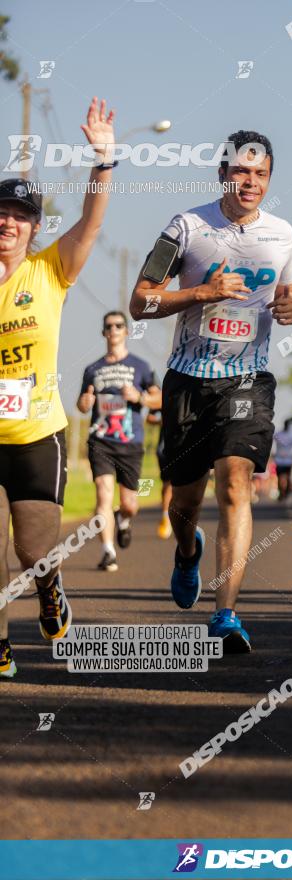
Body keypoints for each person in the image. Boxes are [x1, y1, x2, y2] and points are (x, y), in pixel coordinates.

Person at [130, 130, 292, 652]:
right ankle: (187, 553)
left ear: (269, 179)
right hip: (187, 381)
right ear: (222, 173)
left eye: (260, 174)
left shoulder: (281, 234)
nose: (250, 182)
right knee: (184, 501)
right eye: (241, 172)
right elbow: (140, 302)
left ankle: (225, 613)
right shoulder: (186, 228)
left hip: (247, 380)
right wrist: (203, 291)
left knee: (235, 483)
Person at [0, 97, 116, 678]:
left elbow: (92, 223)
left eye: (19, 216)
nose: (7, 222)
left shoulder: (49, 271)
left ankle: (49, 586)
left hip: (36, 432)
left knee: (31, 549)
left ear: (34, 227)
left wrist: (103, 160)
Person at [77, 312, 160, 572]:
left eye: (118, 326)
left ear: (126, 331)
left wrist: (140, 398)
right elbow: (81, 403)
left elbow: (159, 400)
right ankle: (108, 551)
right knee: (103, 493)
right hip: (100, 440)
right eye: (109, 326)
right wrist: (85, 403)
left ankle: (123, 521)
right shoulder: (93, 369)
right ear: (103, 333)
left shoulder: (142, 367)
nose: (113, 330)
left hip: (130, 441)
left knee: (130, 504)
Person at [146, 408, 173, 539]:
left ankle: (181, 518)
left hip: (186, 441)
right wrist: (162, 421)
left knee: (183, 484)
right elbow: (149, 418)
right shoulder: (161, 395)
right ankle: (166, 518)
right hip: (165, 446)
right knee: (167, 483)